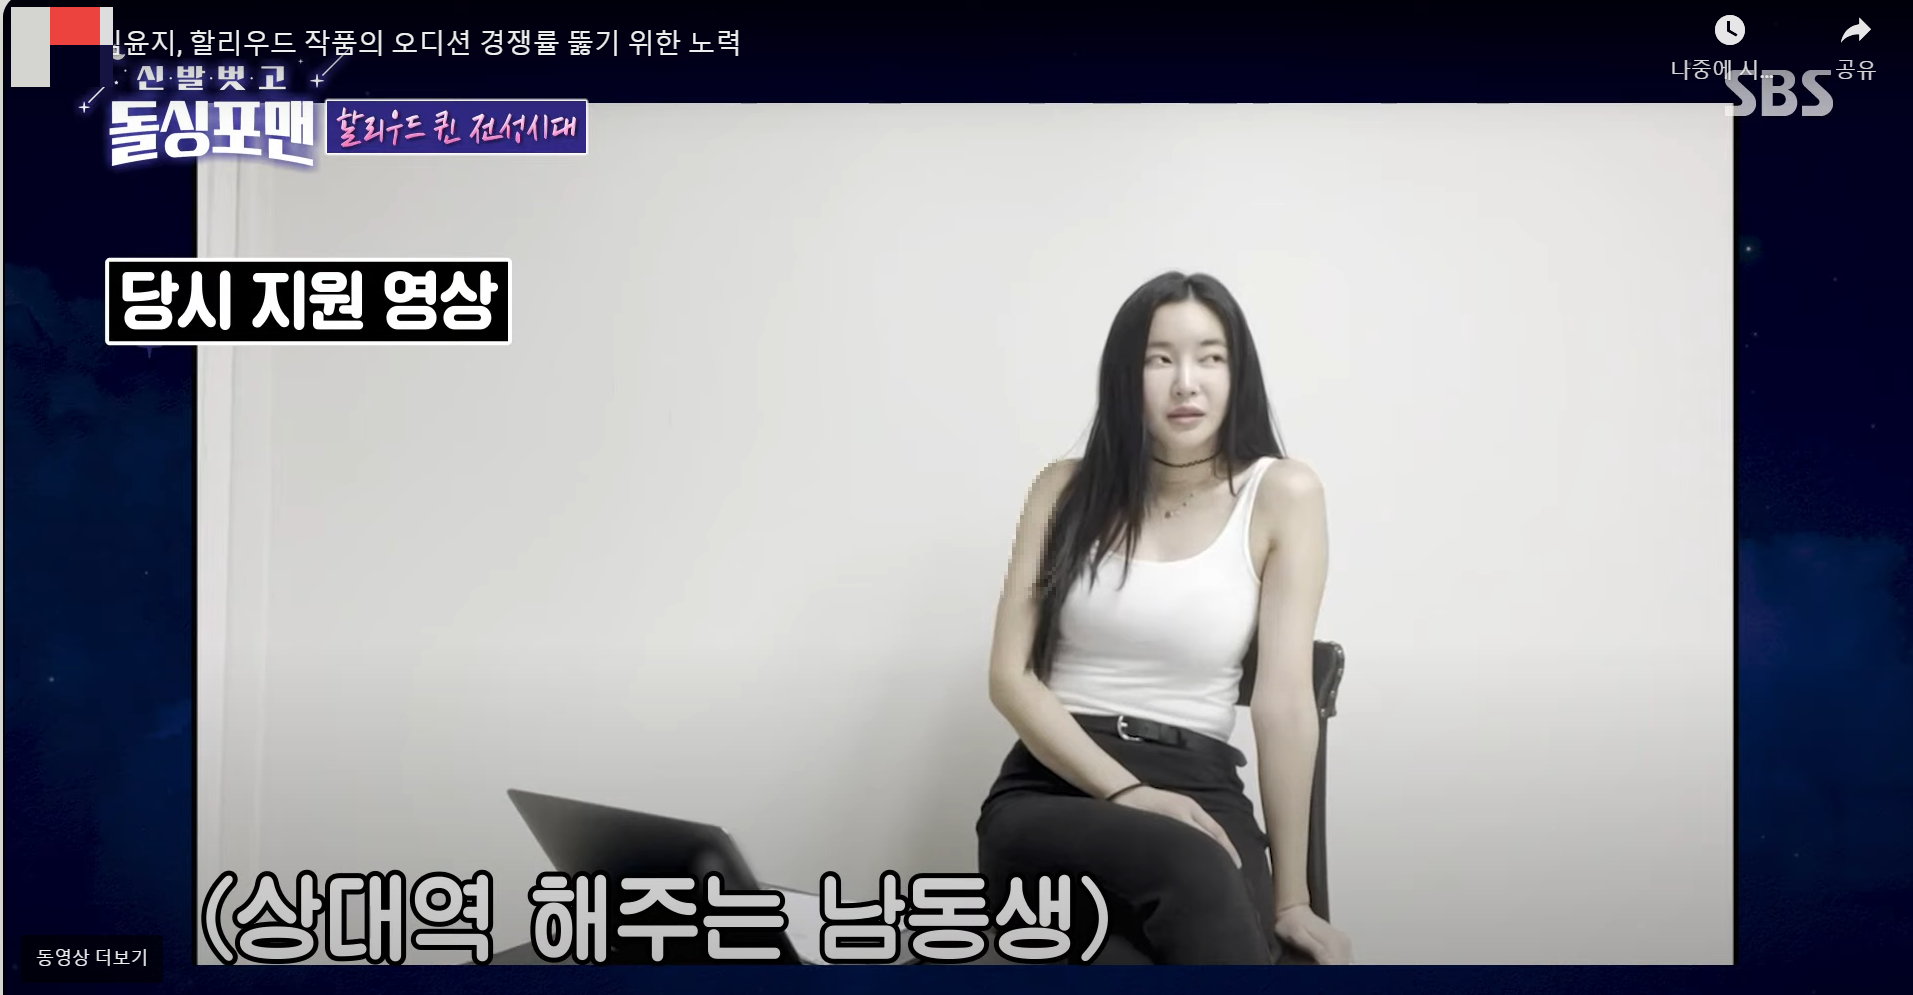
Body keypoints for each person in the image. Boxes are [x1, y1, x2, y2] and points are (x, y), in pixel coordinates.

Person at [975, 271, 1354, 966]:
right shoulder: (1062, 489)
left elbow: (1282, 702)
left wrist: (1292, 900)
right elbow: (1009, 676)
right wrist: (1130, 792)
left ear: (1238, 373)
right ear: (1126, 375)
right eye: (1159, 359)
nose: (1186, 383)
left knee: (1141, 941)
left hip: (1202, 785)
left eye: (1211, 357)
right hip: (1054, 787)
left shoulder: (1281, 494)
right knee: (1191, 865)